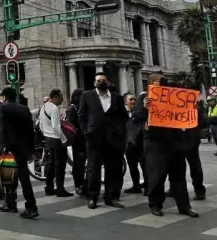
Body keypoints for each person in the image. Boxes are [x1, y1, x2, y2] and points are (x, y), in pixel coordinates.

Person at [139, 73, 198, 217]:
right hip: (155, 142)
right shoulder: (144, 98)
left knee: (178, 175)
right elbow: (137, 118)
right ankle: (155, 204)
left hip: (175, 141)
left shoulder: (174, 95)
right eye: (160, 81)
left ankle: (184, 206)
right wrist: (145, 109)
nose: (163, 83)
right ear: (152, 83)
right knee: (157, 175)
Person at [78, 72, 128, 209]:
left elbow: (123, 116)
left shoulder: (116, 98)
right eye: (98, 80)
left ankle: (110, 197)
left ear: (108, 81)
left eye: (103, 80)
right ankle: (93, 197)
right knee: (94, 169)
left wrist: (119, 130)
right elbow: (81, 116)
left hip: (113, 139)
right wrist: (86, 132)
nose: (101, 82)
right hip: (94, 138)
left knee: (112, 169)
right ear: (95, 83)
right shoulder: (87, 96)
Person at [0, 86, 38, 218]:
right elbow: (30, 131)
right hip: (23, 148)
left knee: (8, 177)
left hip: (10, 149)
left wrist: (3, 146)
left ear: (4, 97)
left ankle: (11, 203)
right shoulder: (25, 109)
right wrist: (31, 150)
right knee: (24, 177)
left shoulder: (3, 108)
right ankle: (30, 206)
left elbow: (2, 129)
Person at [39, 89, 72, 197]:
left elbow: (41, 125)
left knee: (51, 164)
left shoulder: (44, 107)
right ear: (56, 97)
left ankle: (49, 188)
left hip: (48, 139)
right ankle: (60, 189)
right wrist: (64, 140)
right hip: (56, 139)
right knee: (60, 166)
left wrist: (45, 134)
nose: (62, 99)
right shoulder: (54, 109)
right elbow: (56, 127)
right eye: (61, 97)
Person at [124, 92, 147, 194]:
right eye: (131, 99)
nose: (133, 101)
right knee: (132, 167)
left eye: (134, 99)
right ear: (125, 102)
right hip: (129, 145)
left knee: (144, 166)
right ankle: (136, 186)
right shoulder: (122, 114)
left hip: (140, 144)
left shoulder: (140, 112)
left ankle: (148, 186)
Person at [65, 88, 86, 196]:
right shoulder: (72, 109)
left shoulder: (79, 108)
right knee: (78, 163)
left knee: (82, 163)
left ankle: (82, 183)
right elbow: (70, 126)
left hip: (83, 139)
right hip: (77, 141)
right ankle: (78, 185)